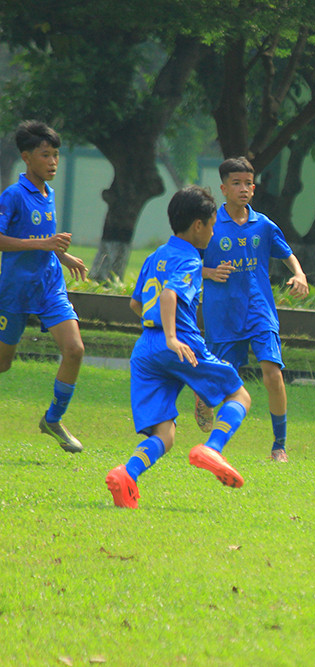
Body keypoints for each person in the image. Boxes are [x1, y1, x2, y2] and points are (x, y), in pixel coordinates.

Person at [105, 186, 252, 509]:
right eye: (212, 226)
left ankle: (127, 473)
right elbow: (170, 294)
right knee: (239, 395)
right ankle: (213, 447)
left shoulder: (156, 255)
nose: (213, 234)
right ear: (198, 225)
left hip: (145, 349)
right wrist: (172, 337)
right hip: (180, 343)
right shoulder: (189, 259)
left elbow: (135, 303)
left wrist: (158, 333)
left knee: (165, 433)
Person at [197, 157, 308, 463]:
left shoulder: (264, 224)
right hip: (223, 313)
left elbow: (288, 254)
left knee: (272, 373)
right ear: (223, 188)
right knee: (222, 378)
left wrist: (298, 274)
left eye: (248, 183)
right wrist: (209, 272)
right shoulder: (208, 224)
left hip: (259, 309)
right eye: (236, 183)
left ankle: (279, 445)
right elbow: (190, 263)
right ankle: (203, 397)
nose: (243, 189)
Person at [0, 120, 88, 453]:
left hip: (50, 287)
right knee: (3, 363)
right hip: (15, 292)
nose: (53, 162)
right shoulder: (13, 195)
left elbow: (44, 241)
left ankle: (53, 419)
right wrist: (43, 244)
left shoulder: (47, 194)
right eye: (45, 155)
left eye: (56, 155)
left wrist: (65, 258)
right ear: (26, 157)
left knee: (75, 350)